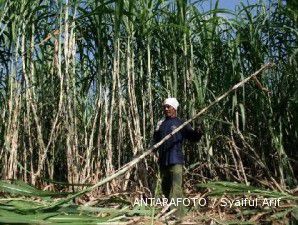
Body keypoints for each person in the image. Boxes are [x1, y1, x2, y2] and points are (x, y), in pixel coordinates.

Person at [153, 97, 203, 219]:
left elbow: (193, 138)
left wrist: (199, 131)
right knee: (165, 188)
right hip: (163, 161)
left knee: (175, 189)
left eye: (168, 107)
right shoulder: (161, 124)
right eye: (164, 107)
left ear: (174, 108)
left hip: (175, 160)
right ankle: (172, 211)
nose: (166, 109)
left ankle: (178, 216)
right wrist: (153, 146)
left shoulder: (181, 123)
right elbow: (155, 142)